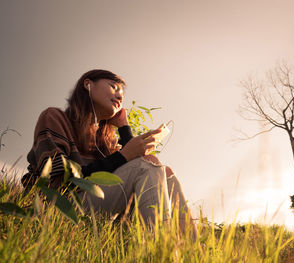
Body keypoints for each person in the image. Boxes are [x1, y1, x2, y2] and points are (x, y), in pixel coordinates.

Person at [21, 69, 196, 237]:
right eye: (114, 87)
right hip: (58, 206)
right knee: (146, 165)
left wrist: (124, 128)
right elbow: (57, 180)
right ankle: (160, 253)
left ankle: (190, 252)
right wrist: (124, 155)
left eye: (122, 93)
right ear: (88, 84)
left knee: (165, 172)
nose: (120, 95)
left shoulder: (105, 141)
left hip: (97, 209)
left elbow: (137, 170)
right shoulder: (55, 117)